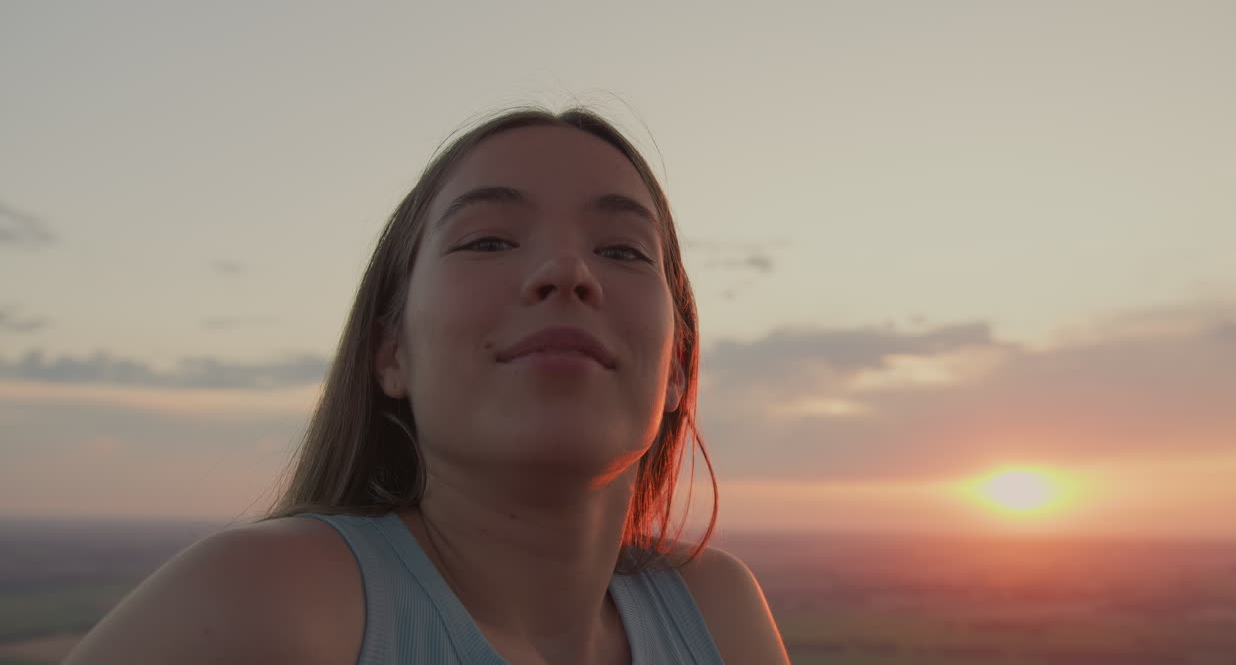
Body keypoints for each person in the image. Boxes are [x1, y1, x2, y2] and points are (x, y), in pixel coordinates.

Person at [65, 108, 791, 664]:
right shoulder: (268, 605)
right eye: (488, 240)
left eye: (622, 250)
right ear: (391, 353)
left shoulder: (718, 616)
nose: (568, 271)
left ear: (677, 369)